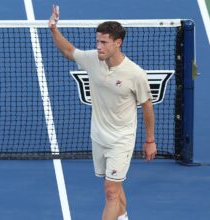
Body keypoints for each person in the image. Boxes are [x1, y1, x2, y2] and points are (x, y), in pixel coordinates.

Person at [48, 5, 157, 220]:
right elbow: (69, 51)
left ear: (118, 43)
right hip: (98, 136)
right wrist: (53, 29)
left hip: (121, 140)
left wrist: (150, 140)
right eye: (97, 41)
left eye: (104, 42)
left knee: (110, 191)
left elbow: (147, 107)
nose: (98, 46)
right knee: (114, 186)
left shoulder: (136, 74)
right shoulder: (92, 59)